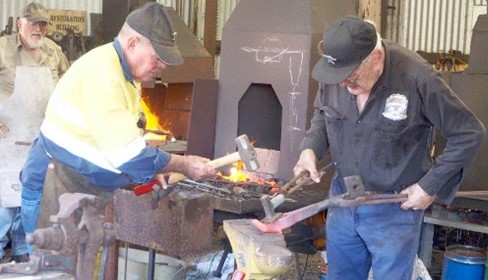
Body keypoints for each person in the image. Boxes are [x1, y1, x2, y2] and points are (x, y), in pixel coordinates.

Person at [294, 16, 485, 280]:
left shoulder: (418, 78)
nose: (343, 86)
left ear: (375, 58)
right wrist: (309, 150)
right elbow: (322, 116)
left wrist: (430, 186)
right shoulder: (336, 72)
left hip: (394, 208)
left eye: (351, 78)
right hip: (343, 199)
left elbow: (469, 133)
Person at [20, 2, 217, 244]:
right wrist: (182, 164)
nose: (163, 65)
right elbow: (128, 155)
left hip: (77, 183)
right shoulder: (105, 75)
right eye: (157, 57)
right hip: (55, 183)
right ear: (132, 43)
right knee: (49, 267)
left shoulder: (125, 73)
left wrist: (152, 170)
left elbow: (115, 142)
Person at [0, 2, 69, 263]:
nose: (38, 29)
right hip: (7, 138)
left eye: (43, 24)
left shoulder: (53, 51)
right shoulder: (3, 48)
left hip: (41, 138)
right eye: (33, 23)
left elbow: (67, 81)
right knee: (4, 206)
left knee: (30, 202)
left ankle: (23, 259)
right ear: (20, 23)